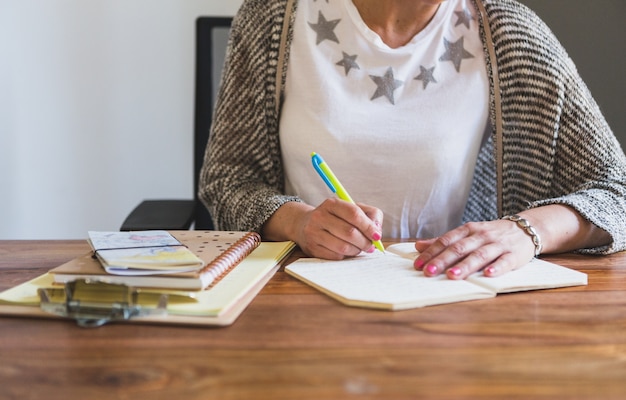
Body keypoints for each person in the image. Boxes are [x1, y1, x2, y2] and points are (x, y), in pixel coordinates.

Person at [199, 0, 626, 281]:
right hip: (296, 290)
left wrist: (525, 231)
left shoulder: (505, 30)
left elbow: (618, 190)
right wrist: (298, 222)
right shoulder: (274, 17)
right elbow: (225, 179)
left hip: (447, 293)